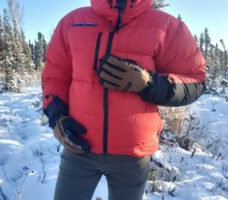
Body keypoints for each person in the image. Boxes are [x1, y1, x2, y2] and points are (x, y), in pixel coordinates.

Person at [41, 0, 206, 199]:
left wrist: (150, 84)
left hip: (133, 157)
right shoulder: (73, 22)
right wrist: (56, 116)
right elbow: (55, 76)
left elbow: (195, 81)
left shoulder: (167, 27)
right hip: (78, 148)